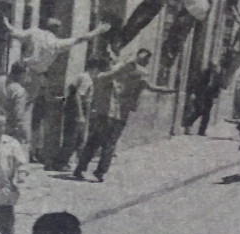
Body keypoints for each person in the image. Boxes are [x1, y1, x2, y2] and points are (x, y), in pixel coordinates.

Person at [3, 17, 110, 163]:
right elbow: (80, 38)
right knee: (23, 114)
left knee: (9, 106)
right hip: (35, 77)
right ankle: (21, 151)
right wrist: (97, 31)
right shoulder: (56, 43)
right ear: (57, 30)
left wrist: (7, 24)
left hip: (20, 71)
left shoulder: (34, 32)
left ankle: (12, 146)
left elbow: (15, 33)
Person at [73, 49, 174, 182]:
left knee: (110, 144)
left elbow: (145, 83)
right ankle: (81, 169)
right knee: (95, 142)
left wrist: (165, 90)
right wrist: (129, 62)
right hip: (104, 115)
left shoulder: (123, 81)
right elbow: (118, 71)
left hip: (118, 116)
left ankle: (100, 171)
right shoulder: (102, 77)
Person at [50, 57, 100, 171]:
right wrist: (81, 114)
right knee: (72, 138)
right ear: (94, 68)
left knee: (77, 138)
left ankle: (67, 162)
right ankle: (60, 162)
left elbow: (71, 89)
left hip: (74, 110)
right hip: (77, 111)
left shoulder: (81, 76)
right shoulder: (86, 78)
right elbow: (78, 95)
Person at [183, 60, 223, 136]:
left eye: (215, 66)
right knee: (199, 110)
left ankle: (202, 131)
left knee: (207, 114)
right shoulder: (203, 73)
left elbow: (218, 87)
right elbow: (196, 83)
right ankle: (188, 123)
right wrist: (194, 93)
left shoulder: (217, 76)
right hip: (200, 95)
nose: (213, 68)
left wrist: (215, 97)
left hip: (209, 96)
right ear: (209, 66)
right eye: (212, 66)